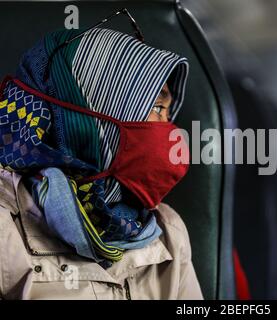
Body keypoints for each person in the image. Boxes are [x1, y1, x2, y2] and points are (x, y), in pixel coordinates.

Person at [0, 25, 203, 299]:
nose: (169, 131)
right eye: (155, 108)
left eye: (166, 111)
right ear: (93, 117)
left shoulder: (167, 231)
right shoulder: (5, 228)